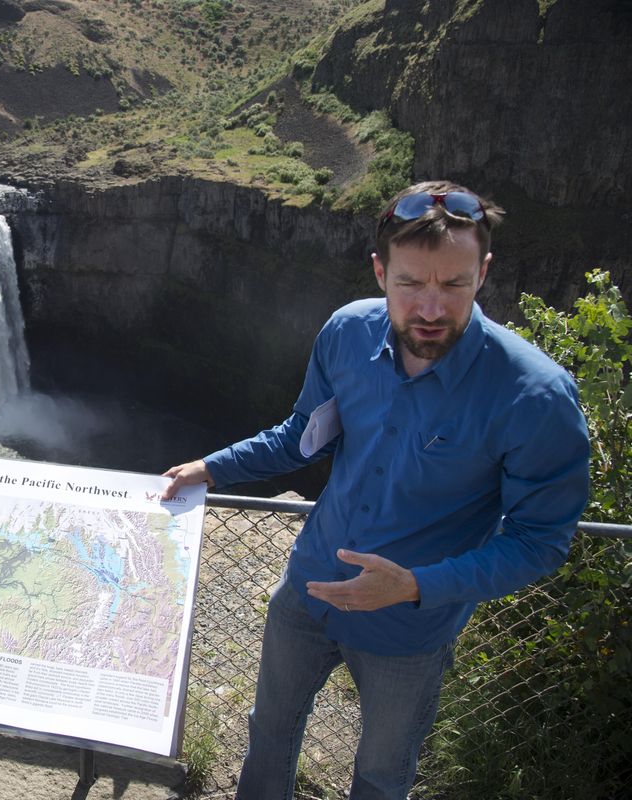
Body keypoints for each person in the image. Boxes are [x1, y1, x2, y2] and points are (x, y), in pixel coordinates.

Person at [163, 181, 590, 799]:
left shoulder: (535, 397)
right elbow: (300, 439)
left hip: (408, 630)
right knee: (269, 734)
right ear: (379, 270)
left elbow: (539, 542)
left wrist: (413, 586)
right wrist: (212, 466)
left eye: (454, 284)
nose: (431, 308)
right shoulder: (347, 333)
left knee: (381, 776)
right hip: (307, 591)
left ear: (485, 271)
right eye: (410, 283)